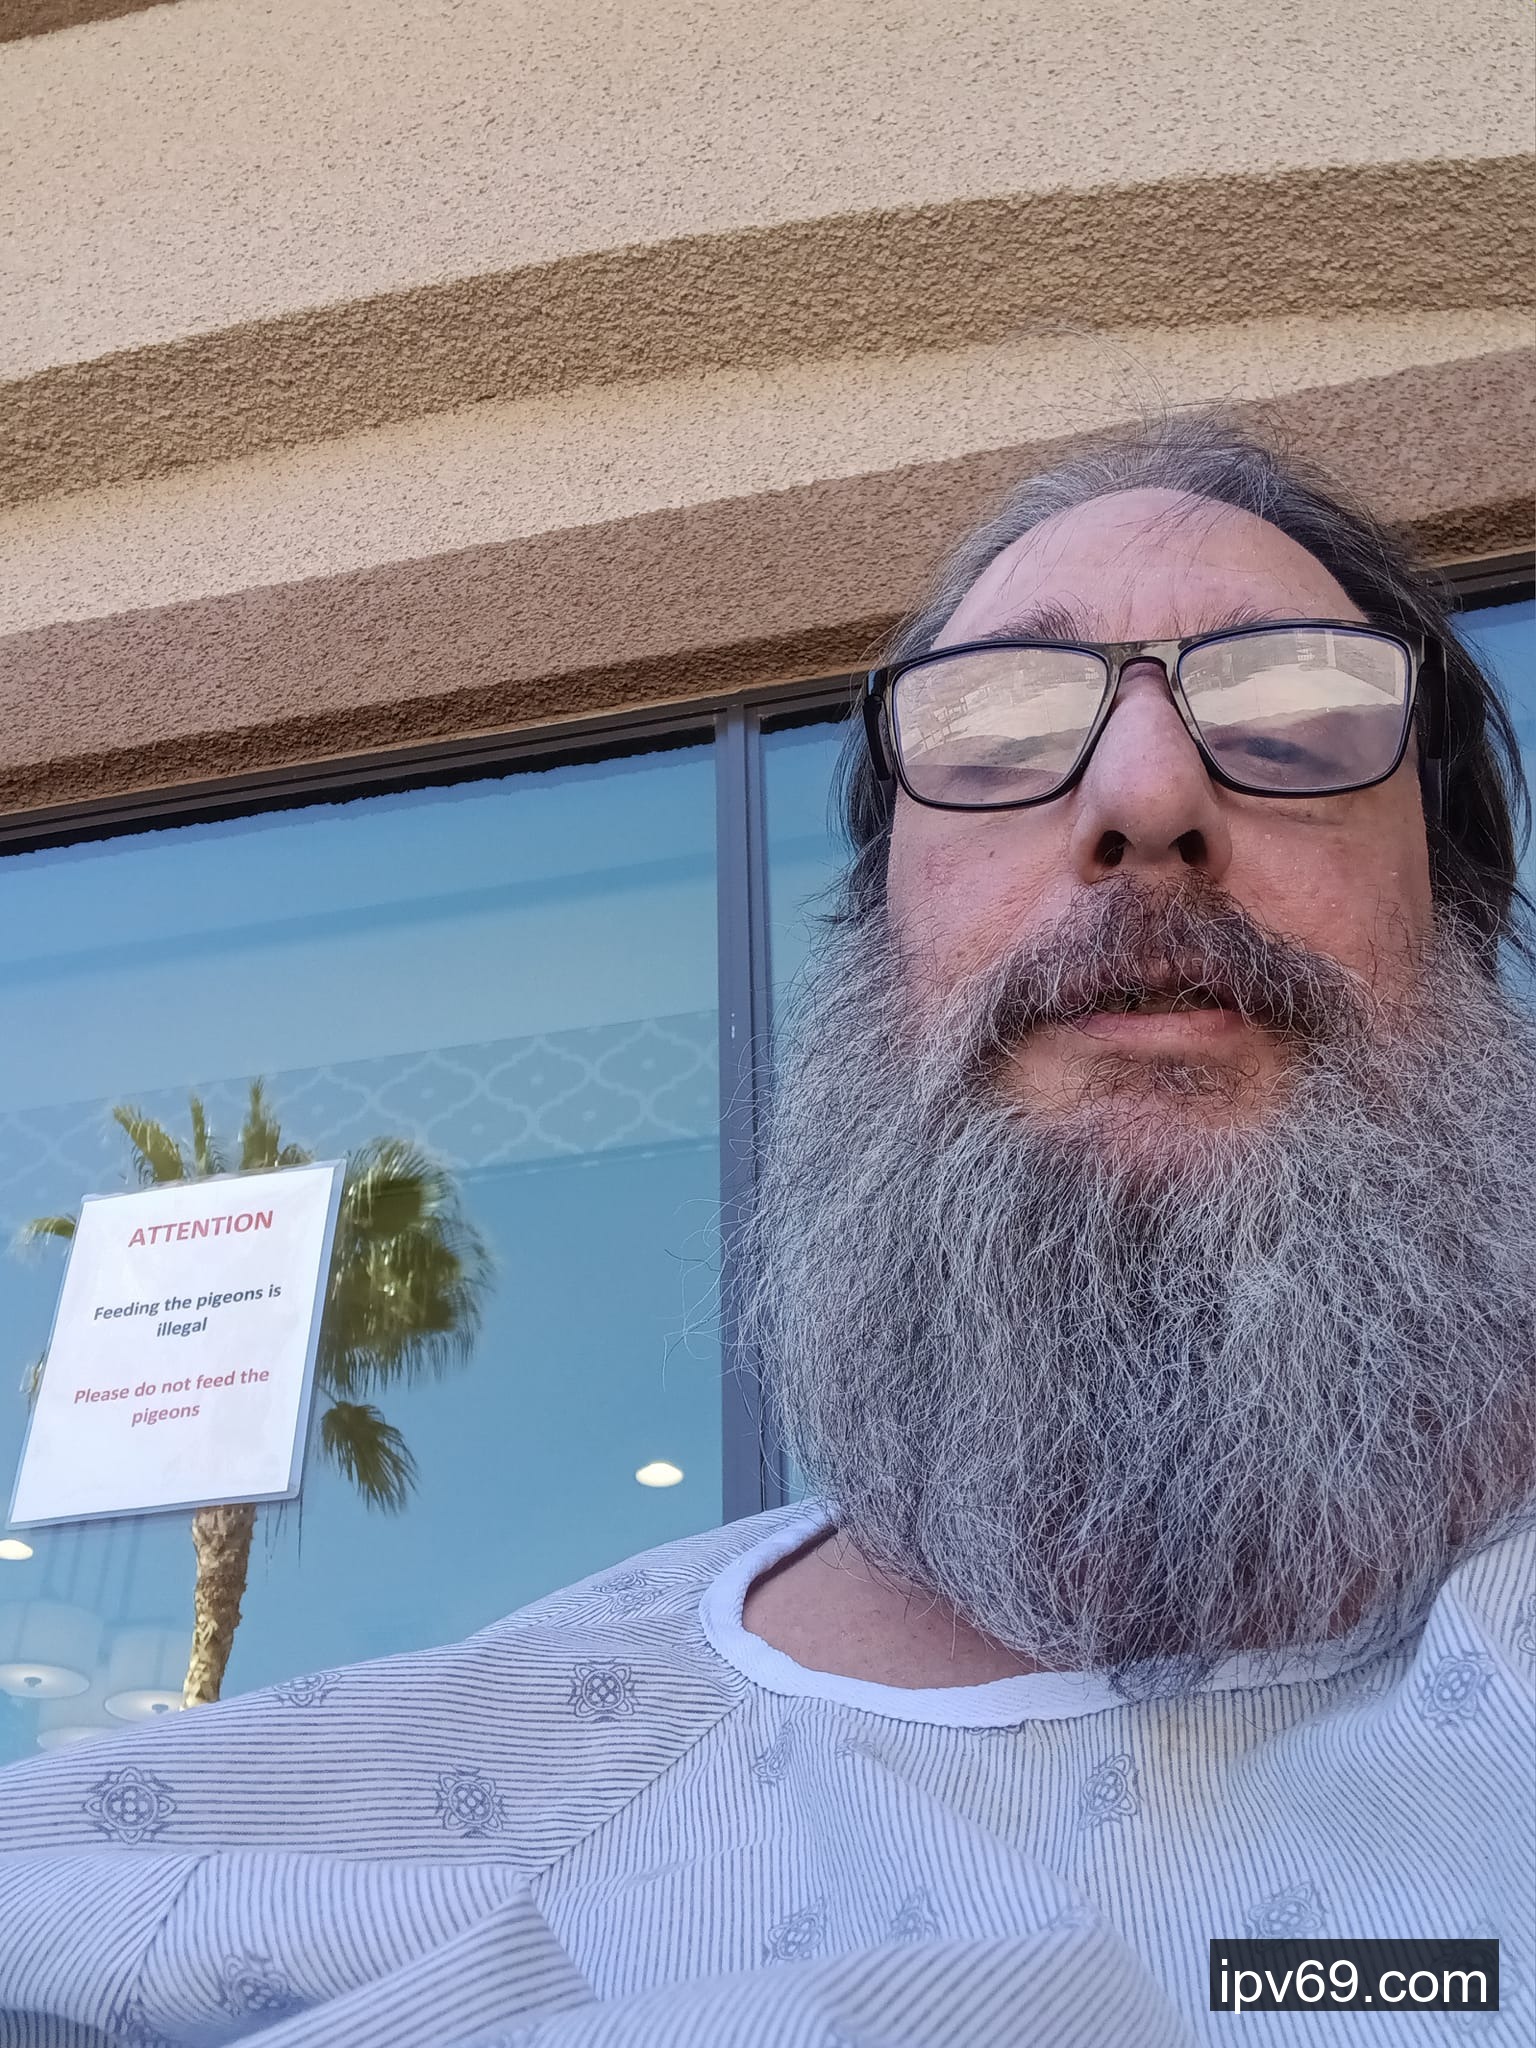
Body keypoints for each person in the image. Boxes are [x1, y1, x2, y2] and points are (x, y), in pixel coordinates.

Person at [2, 417, 1532, 2047]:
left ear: (1452, 927)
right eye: (999, 735)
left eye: (1293, 722)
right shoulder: (361, 1842)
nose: (1147, 794)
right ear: (882, 954)